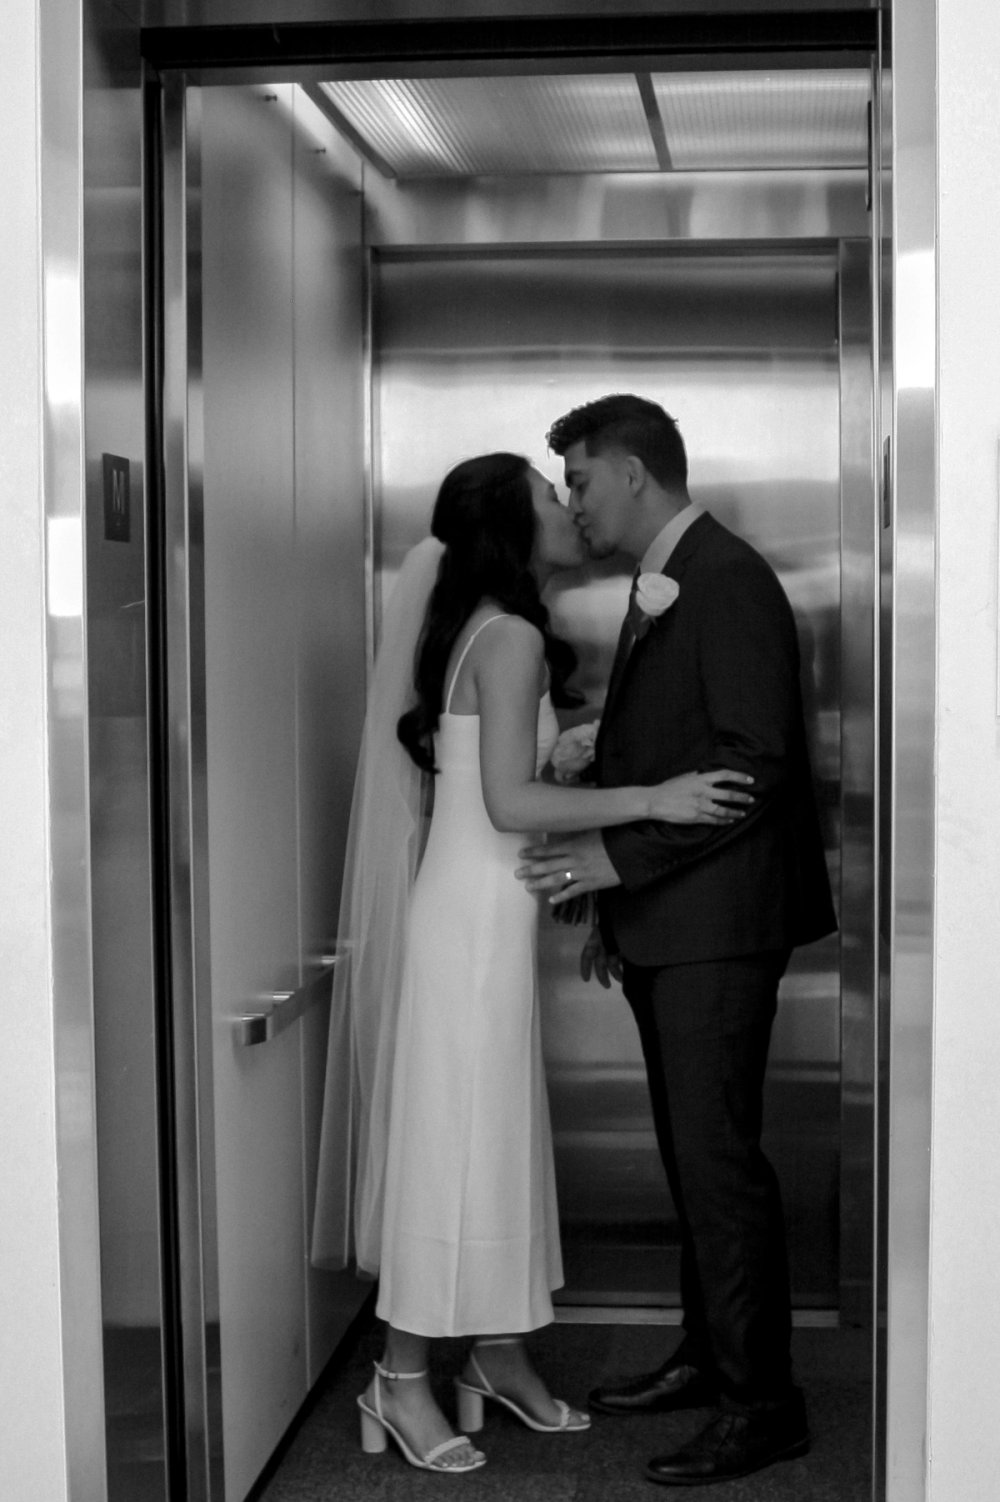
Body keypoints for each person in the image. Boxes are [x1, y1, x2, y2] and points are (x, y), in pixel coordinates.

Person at [314, 451, 755, 1475]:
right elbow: (510, 806)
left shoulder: (489, 630)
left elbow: (489, 781)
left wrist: (577, 751)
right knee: (452, 1144)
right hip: (468, 930)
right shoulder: (508, 635)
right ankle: (402, 1373)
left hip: (480, 920)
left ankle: (497, 1356)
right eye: (548, 496)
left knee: (495, 1137)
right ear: (511, 530)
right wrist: (657, 796)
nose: (569, 506)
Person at [515, 396, 837, 1487]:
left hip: (718, 927)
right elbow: (682, 745)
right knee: (696, 1161)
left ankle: (764, 1402)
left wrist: (617, 867)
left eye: (581, 479)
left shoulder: (724, 576)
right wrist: (621, 907)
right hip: (677, 925)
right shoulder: (673, 576)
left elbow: (754, 764)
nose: (572, 501)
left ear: (637, 472)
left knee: (718, 1166)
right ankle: (709, 1356)